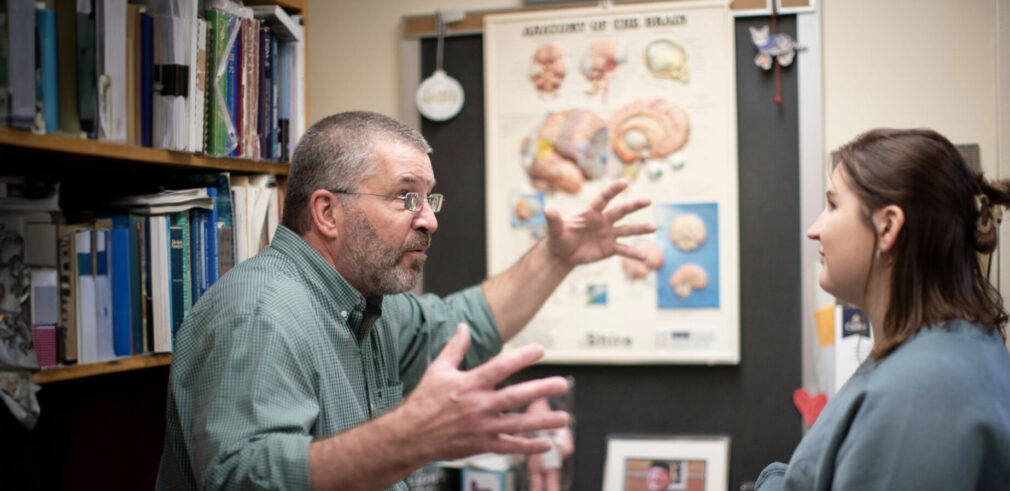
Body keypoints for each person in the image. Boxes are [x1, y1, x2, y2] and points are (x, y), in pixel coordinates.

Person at [156, 111, 655, 490]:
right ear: (328, 213)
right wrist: (410, 438)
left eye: (428, 198)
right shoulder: (259, 312)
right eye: (404, 197)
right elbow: (239, 478)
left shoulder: (369, 302)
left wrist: (556, 257)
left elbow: (464, 325)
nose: (429, 219)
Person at [756, 128, 1010, 490]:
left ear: (888, 226)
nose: (815, 229)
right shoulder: (954, 346)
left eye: (832, 205)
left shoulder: (921, 394)